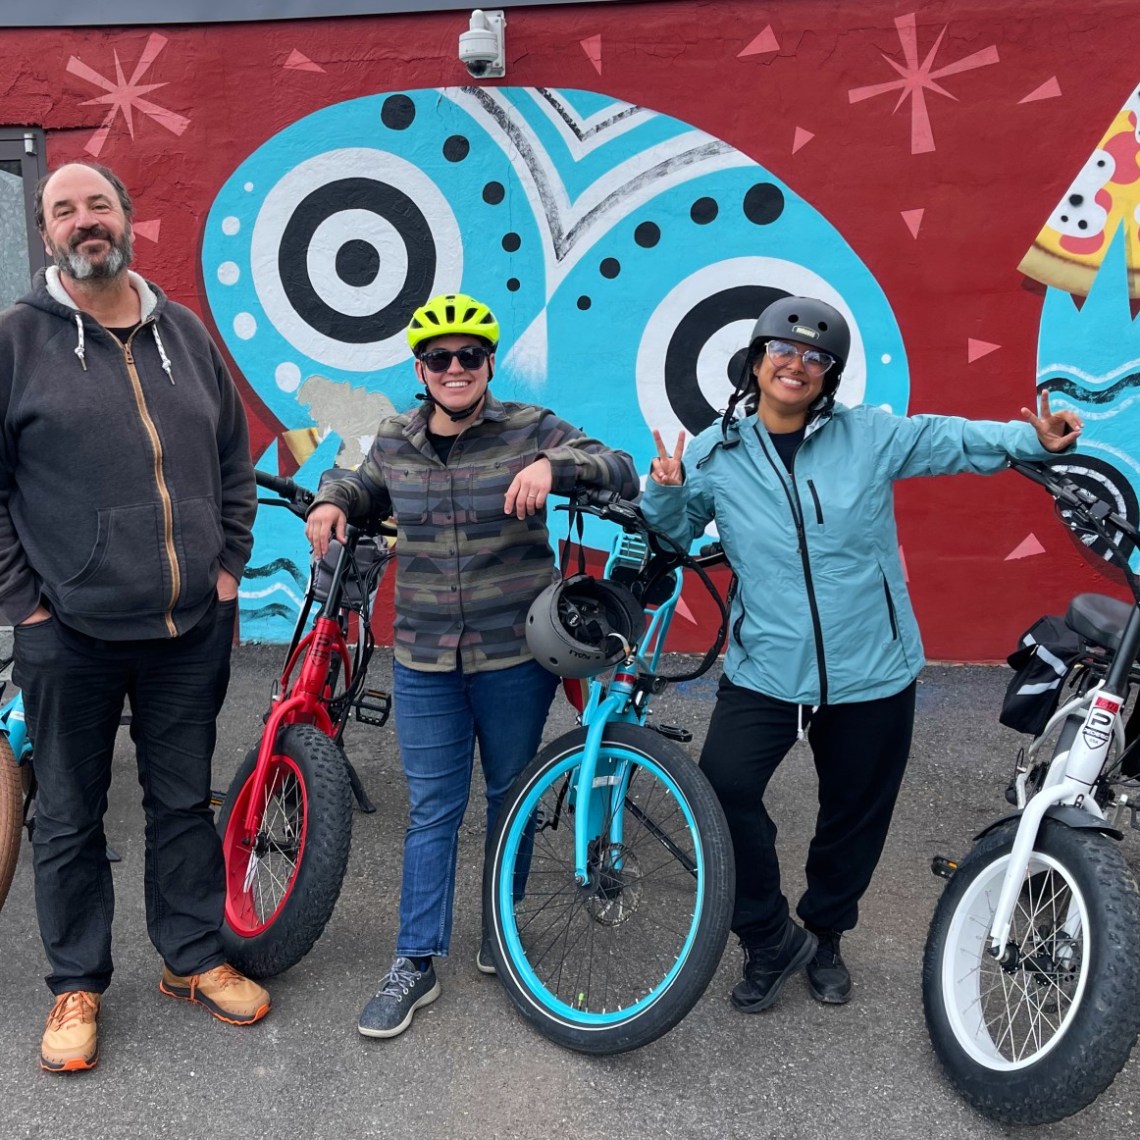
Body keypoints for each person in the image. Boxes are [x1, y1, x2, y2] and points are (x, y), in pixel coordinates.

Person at [642, 295, 1082, 1013]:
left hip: (872, 667)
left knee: (853, 815)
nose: (797, 365)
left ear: (830, 374)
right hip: (766, 668)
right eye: (783, 349)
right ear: (755, 360)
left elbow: (948, 439)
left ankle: (825, 935)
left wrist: (1031, 441)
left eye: (816, 357)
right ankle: (767, 937)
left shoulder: (867, 435)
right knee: (721, 792)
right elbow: (674, 533)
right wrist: (664, 493)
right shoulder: (712, 453)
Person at [305, 292, 638, 1039]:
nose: (454, 368)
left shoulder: (530, 427)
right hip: (424, 656)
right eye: (439, 358)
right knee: (433, 809)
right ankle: (415, 960)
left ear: (488, 364)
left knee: (511, 794)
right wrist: (332, 501)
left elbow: (619, 470)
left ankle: (500, 927)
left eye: (469, 356)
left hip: (515, 653)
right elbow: (358, 480)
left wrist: (555, 465)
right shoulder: (395, 437)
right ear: (420, 370)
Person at [0, 162, 270, 1073]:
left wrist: (227, 570)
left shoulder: (184, 333)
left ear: (126, 218)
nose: (85, 221)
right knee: (68, 814)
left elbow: (233, 458)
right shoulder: (15, 342)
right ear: (47, 233)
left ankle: (190, 956)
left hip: (188, 630)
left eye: (98, 205)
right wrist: (26, 607)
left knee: (182, 802)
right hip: (67, 634)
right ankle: (76, 982)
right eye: (64, 209)